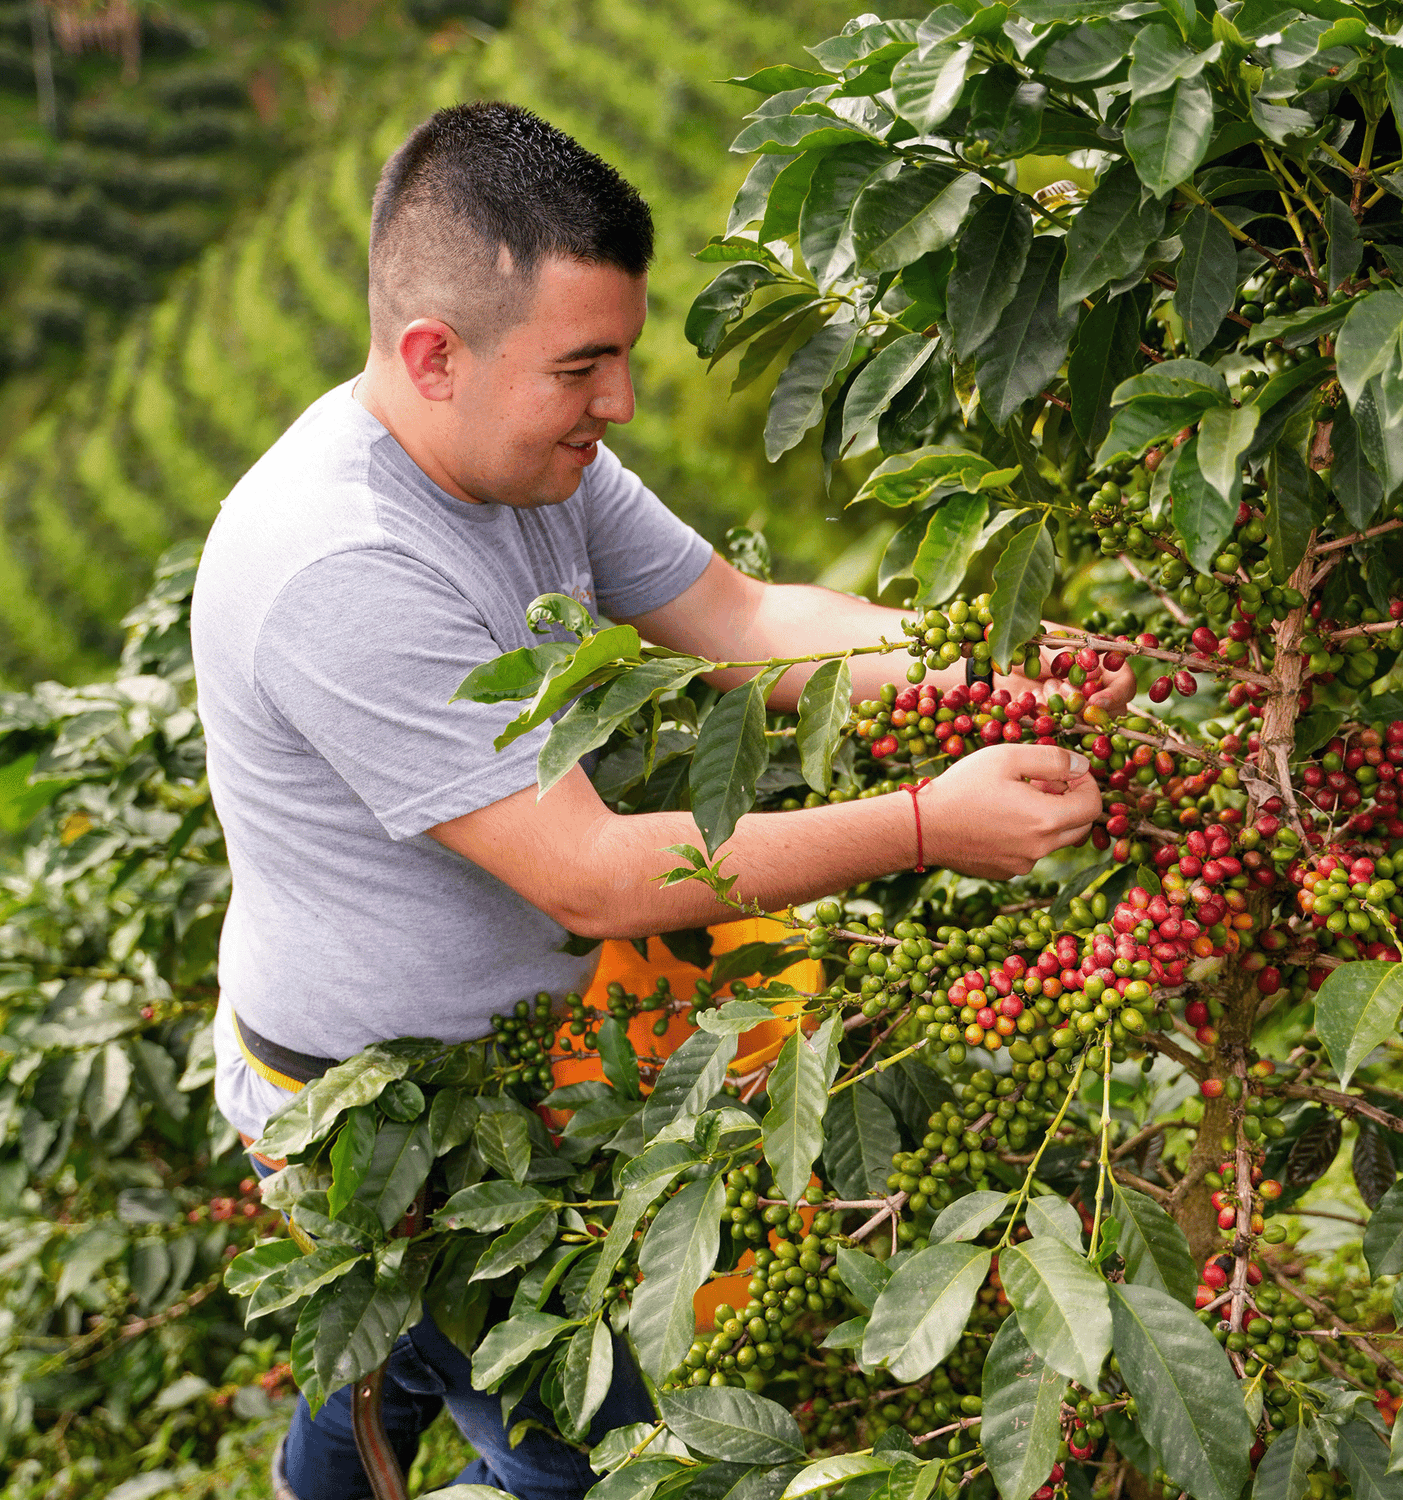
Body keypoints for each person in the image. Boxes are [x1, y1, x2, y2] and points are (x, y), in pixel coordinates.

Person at [190, 101, 1132, 1500]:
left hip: (510, 1054)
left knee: (387, 1363)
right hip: (375, 1120)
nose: (619, 402)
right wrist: (931, 825)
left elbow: (745, 618)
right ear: (434, 357)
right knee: (598, 1469)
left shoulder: (523, 454)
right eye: (587, 367)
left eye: (620, 355)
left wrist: (1005, 667)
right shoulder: (344, 569)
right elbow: (594, 874)